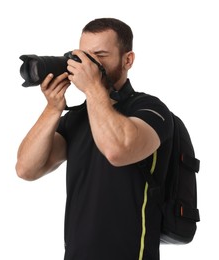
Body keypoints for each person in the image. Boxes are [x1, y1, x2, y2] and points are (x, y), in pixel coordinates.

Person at [16, 18, 173, 260]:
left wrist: (92, 89)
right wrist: (53, 108)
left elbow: (117, 151)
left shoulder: (150, 109)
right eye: (84, 55)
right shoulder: (77, 118)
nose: (89, 64)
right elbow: (26, 168)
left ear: (127, 59)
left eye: (100, 55)